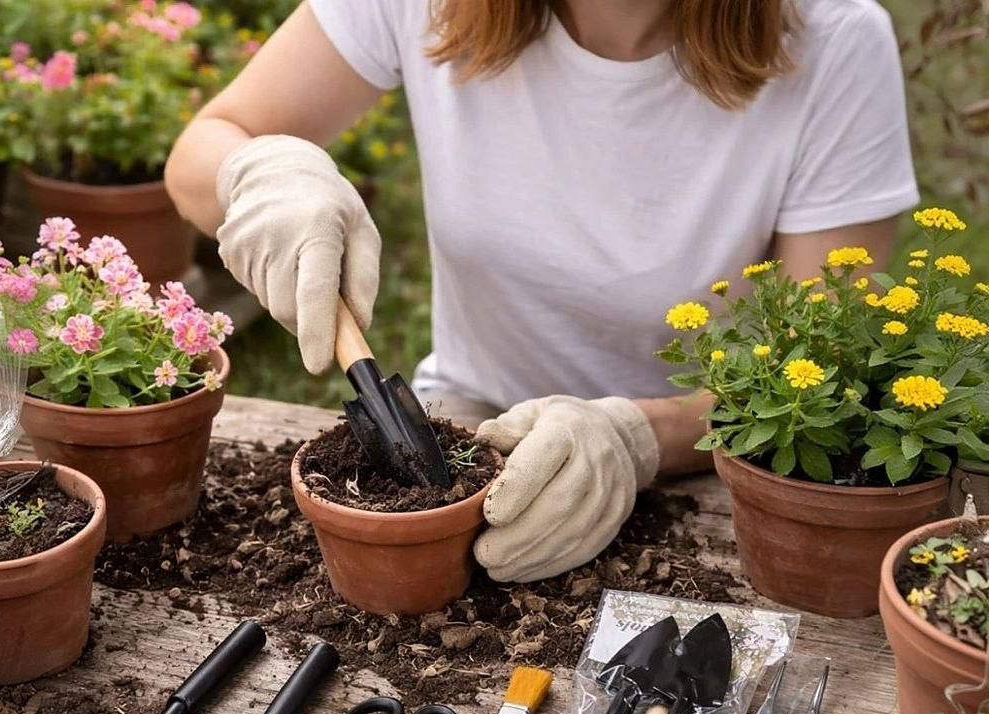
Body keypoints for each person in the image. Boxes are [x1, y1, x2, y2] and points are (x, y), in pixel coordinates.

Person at [165, 0, 919, 583]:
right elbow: (206, 147)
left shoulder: (833, 40)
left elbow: (825, 369)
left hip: (701, 481)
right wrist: (259, 175)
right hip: (463, 441)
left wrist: (632, 437)